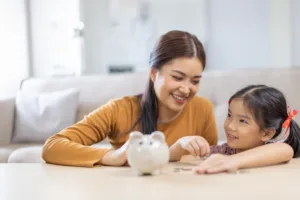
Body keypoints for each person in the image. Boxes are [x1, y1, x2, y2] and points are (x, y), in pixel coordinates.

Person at [42, 30, 293, 168]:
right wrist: (112, 157)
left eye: (195, 80)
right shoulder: (119, 110)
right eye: (178, 77)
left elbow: (205, 162)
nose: (186, 89)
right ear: (154, 73)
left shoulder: (202, 108)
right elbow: (53, 146)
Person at [194, 85, 298, 174]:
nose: (230, 126)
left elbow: (285, 150)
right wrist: (182, 145)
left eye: (243, 121)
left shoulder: (273, 150)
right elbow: (186, 158)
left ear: (266, 133)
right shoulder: (223, 151)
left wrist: (232, 160)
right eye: (229, 115)